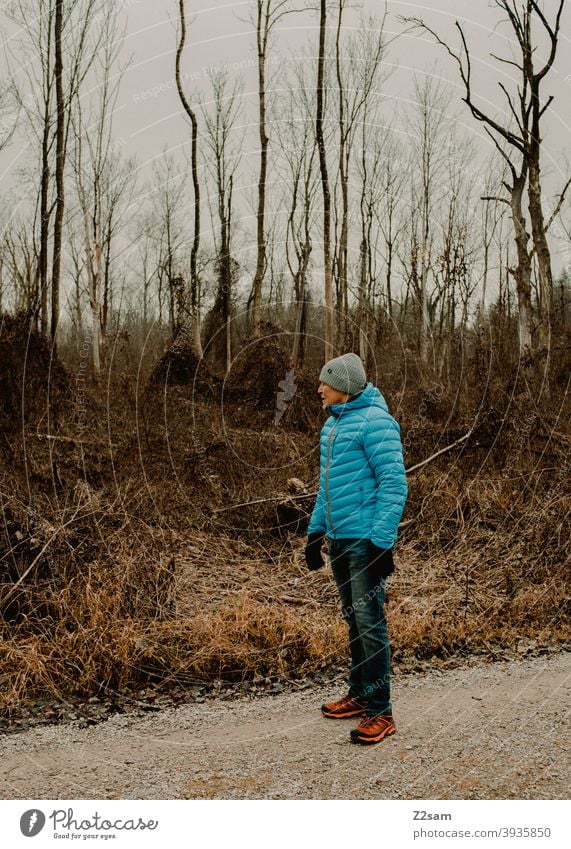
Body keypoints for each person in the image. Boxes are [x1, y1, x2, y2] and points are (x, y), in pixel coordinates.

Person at [305, 352, 408, 745]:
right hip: (339, 540)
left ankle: (381, 713)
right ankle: (360, 693)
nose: (319, 388)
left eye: (325, 382)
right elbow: (326, 488)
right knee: (353, 620)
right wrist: (316, 533)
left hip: (366, 541)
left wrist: (382, 543)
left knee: (370, 623)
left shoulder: (378, 424)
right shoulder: (332, 427)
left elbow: (394, 486)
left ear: (344, 387)